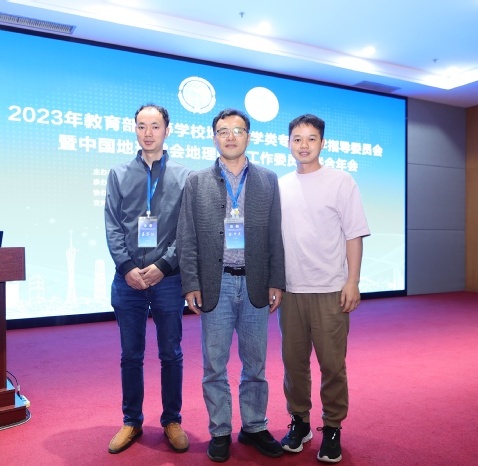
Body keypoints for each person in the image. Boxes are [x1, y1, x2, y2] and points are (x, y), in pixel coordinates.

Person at [177, 108, 286, 462]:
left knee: (256, 364)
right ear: (214, 138)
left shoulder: (268, 180)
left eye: (237, 130)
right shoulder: (196, 182)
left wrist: (276, 280)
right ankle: (220, 430)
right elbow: (186, 237)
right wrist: (191, 283)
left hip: (256, 283)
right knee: (214, 365)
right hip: (217, 283)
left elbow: (275, 235)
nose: (230, 136)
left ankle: (254, 426)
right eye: (223, 131)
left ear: (249, 137)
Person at [277, 114, 370, 463]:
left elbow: (354, 234)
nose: (304, 145)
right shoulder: (280, 185)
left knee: (332, 365)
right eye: (297, 138)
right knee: (294, 364)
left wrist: (352, 281)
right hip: (291, 291)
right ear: (288, 143)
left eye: (311, 138)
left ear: (322, 143)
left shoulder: (341, 181)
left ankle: (332, 427)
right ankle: (300, 422)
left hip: (331, 289)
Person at [104, 103, 192, 454]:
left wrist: (164, 266)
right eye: (142, 126)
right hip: (128, 280)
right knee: (131, 355)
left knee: (171, 353)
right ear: (135, 129)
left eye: (155, 126)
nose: (148, 133)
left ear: (167, 130)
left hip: (167, 279)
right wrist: (127, 267)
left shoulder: (185, 177)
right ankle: (132, 421)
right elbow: (112, 225)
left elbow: (187, 230)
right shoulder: (118, 173)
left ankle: (172, 420)